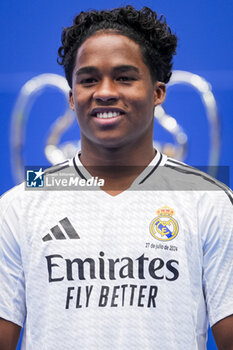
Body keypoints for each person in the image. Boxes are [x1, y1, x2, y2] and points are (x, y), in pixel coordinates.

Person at [0, 5, 233, 350]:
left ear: (158, 93)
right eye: (89, 79)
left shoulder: (209, 200)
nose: (105, 91)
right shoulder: (19, 205)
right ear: (71, 97)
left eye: (124, 77)